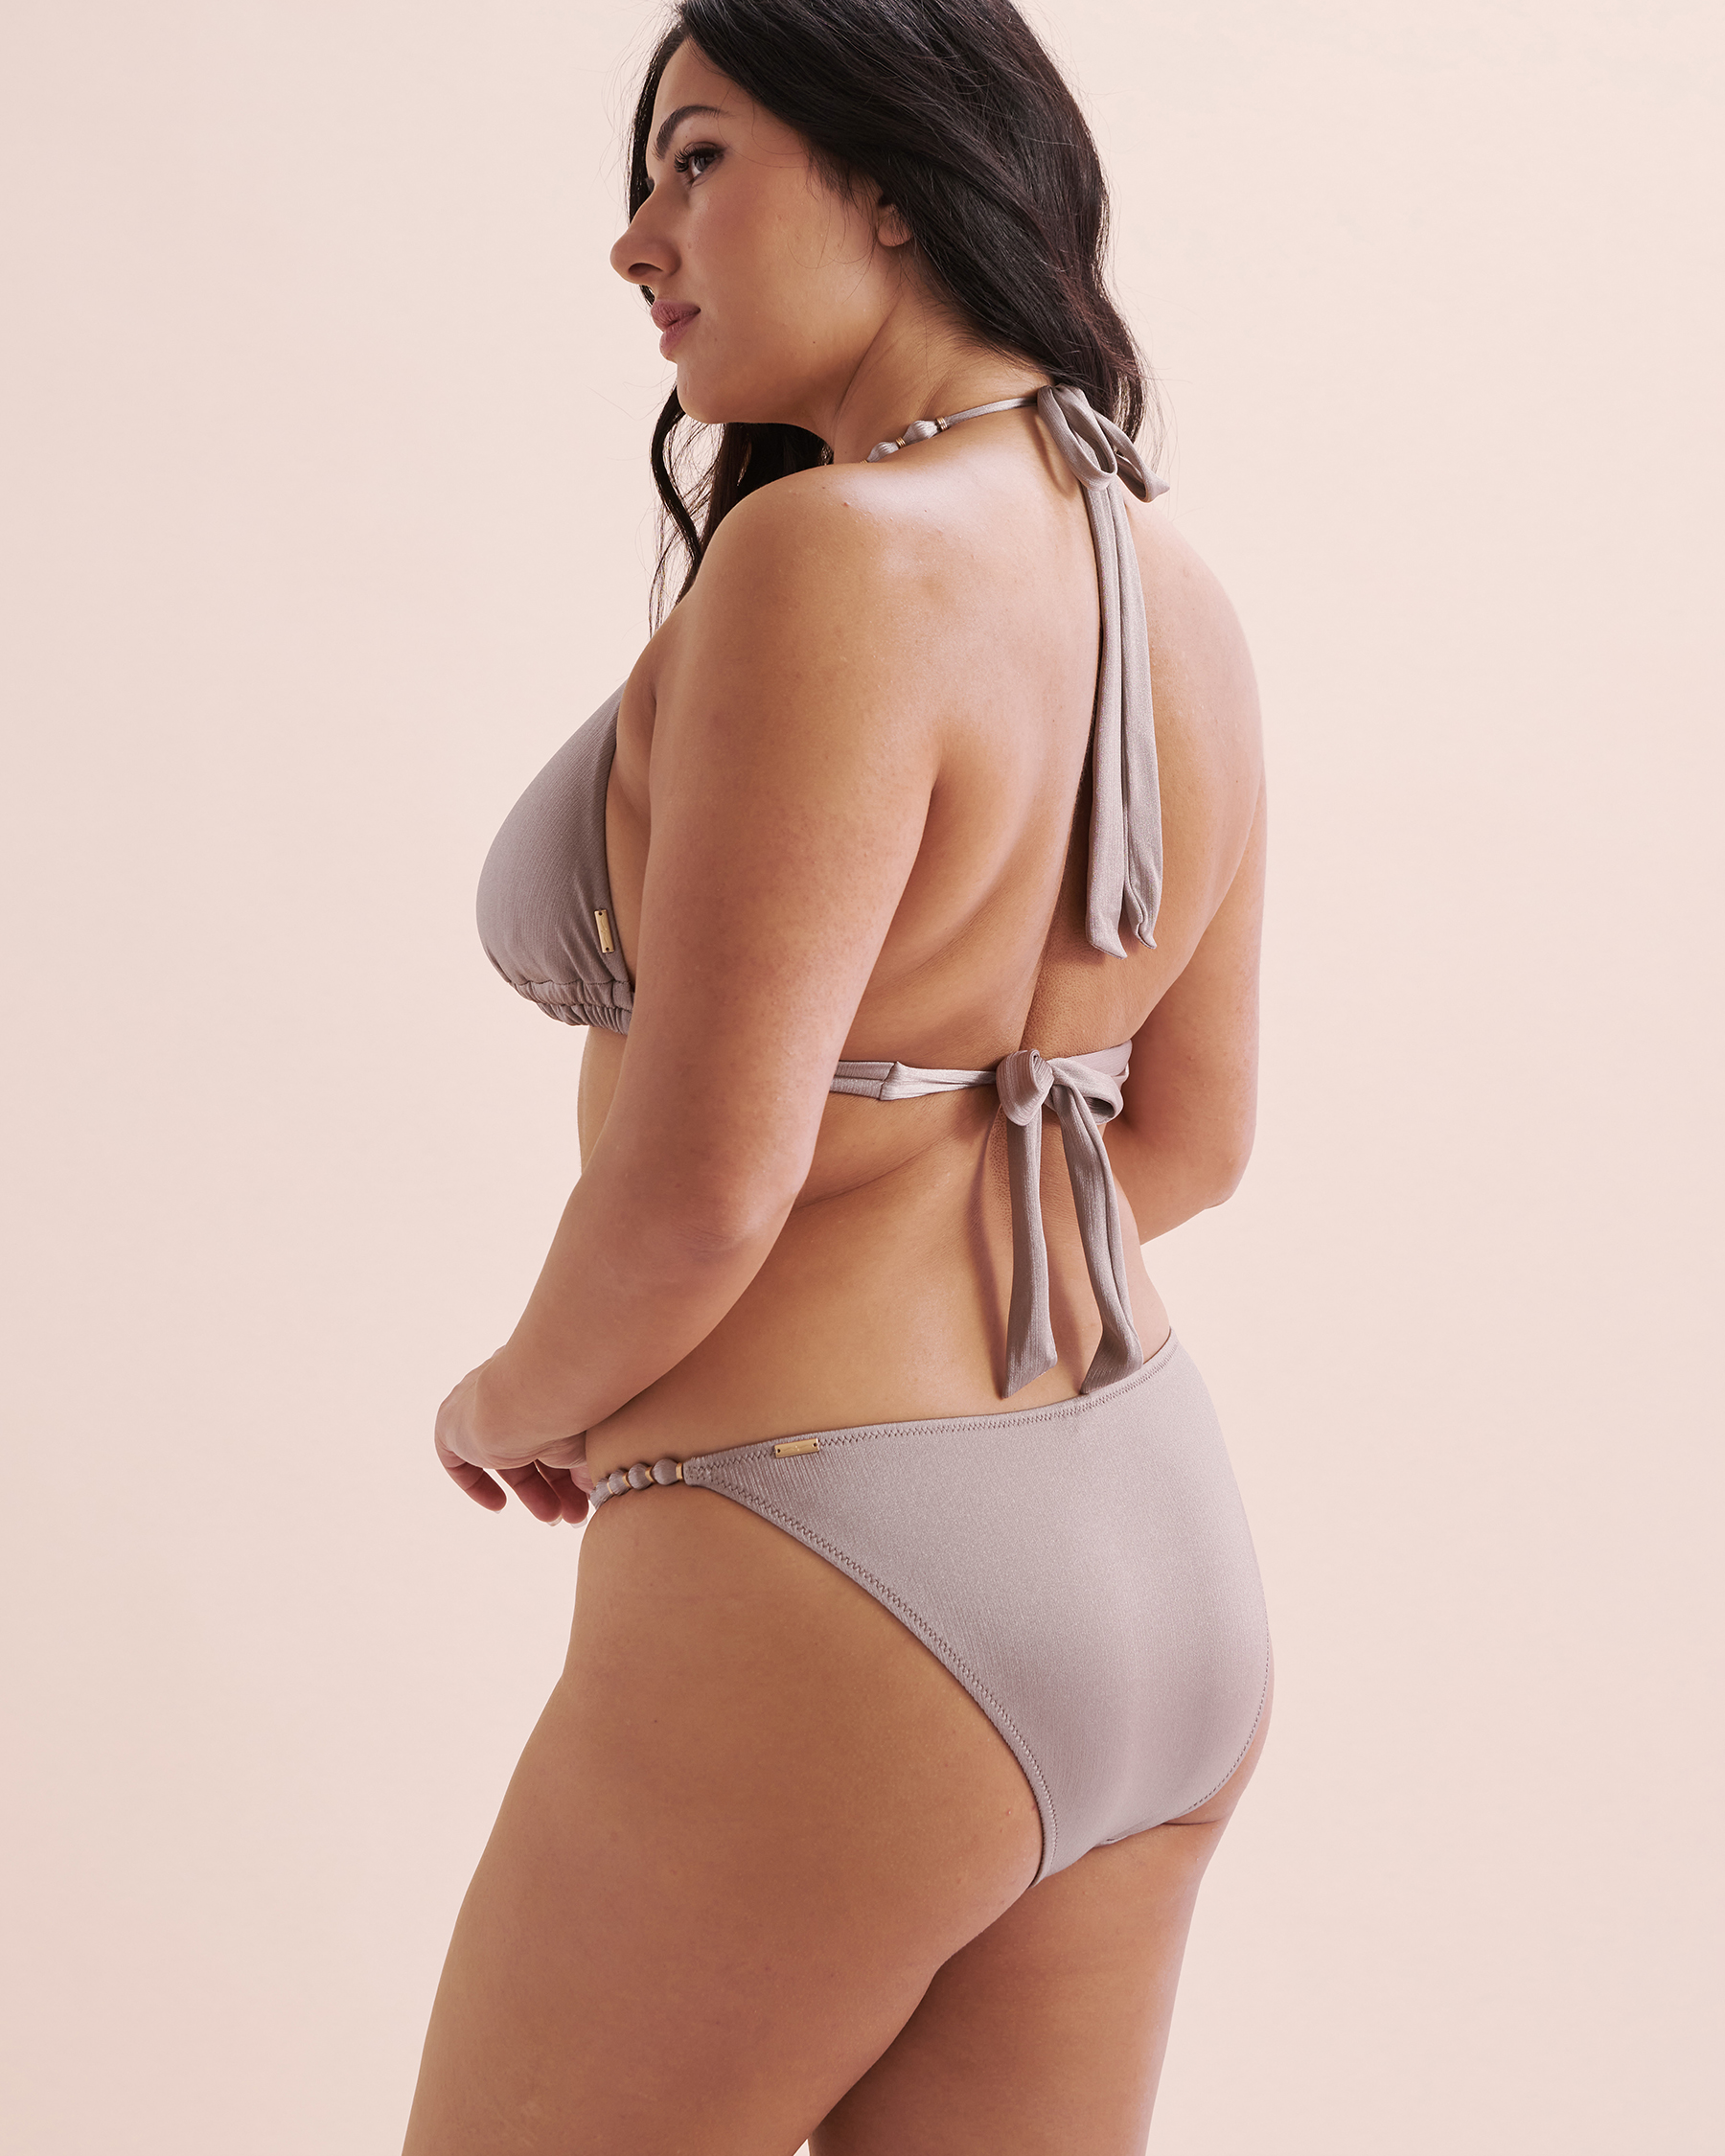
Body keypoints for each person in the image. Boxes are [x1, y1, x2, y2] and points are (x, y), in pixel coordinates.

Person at [404, 4, 1270, 2148]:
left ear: (892, 177)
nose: (637, 239)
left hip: (829, 1564)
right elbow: (1195, 1134)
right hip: (1156, 1557)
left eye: (698, 160)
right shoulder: (1167, 582)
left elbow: (708, 1182)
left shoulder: (832, 555)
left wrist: (512, 1398)